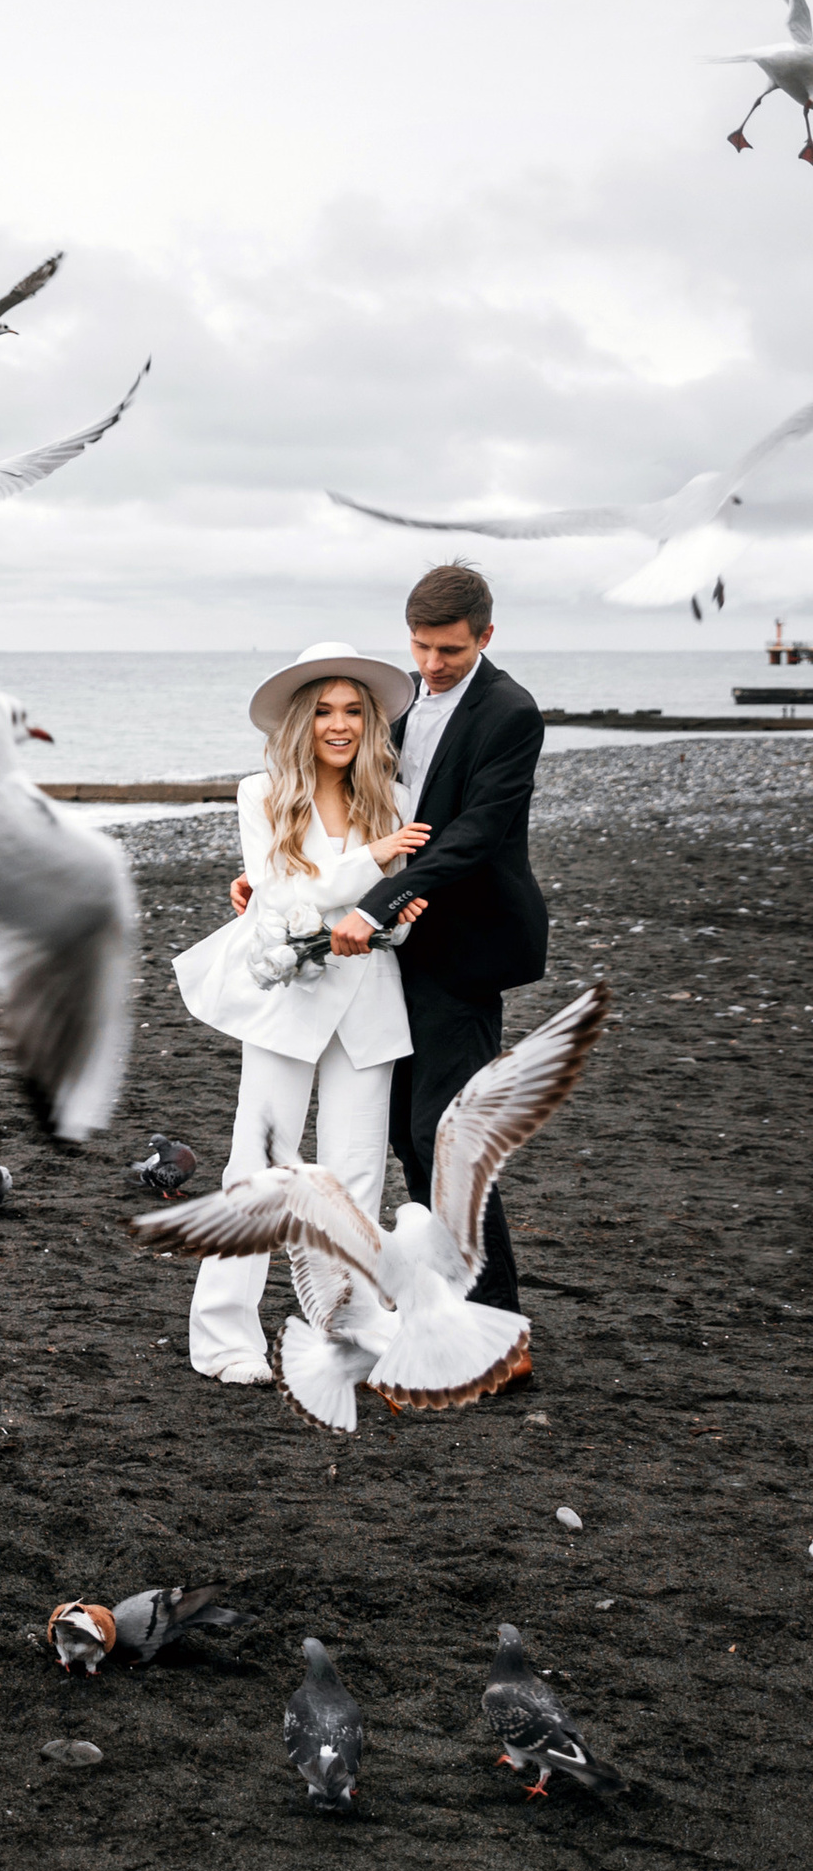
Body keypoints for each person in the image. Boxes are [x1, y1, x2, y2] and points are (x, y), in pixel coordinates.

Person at [173, 642, 427, 1382]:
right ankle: (225, 1340)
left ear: (370, 720)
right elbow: (279, 897)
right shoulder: (262, 793)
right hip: (289, 998)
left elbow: (399, 920)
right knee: (257, 1167)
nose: (339, 725)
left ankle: (348, 1331)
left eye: (353, 710)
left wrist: (390, 905)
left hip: (372, 1001)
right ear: (300, 720)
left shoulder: (396, 796)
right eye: (324, 711)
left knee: (353, 1178)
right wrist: (372, 862)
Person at [323, 563, 548, 1331]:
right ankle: (446, 1303)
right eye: (420, 647)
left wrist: (379, 902)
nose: (432, 664)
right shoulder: (396, 701)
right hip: (394, 952)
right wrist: (275, 878)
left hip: (465, 946)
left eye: (449, 650)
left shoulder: (510, 713)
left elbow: (476, 835)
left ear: (485, 636)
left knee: (446, 1136)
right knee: (402, 1133)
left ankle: (499, 1327)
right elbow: (350, 808)